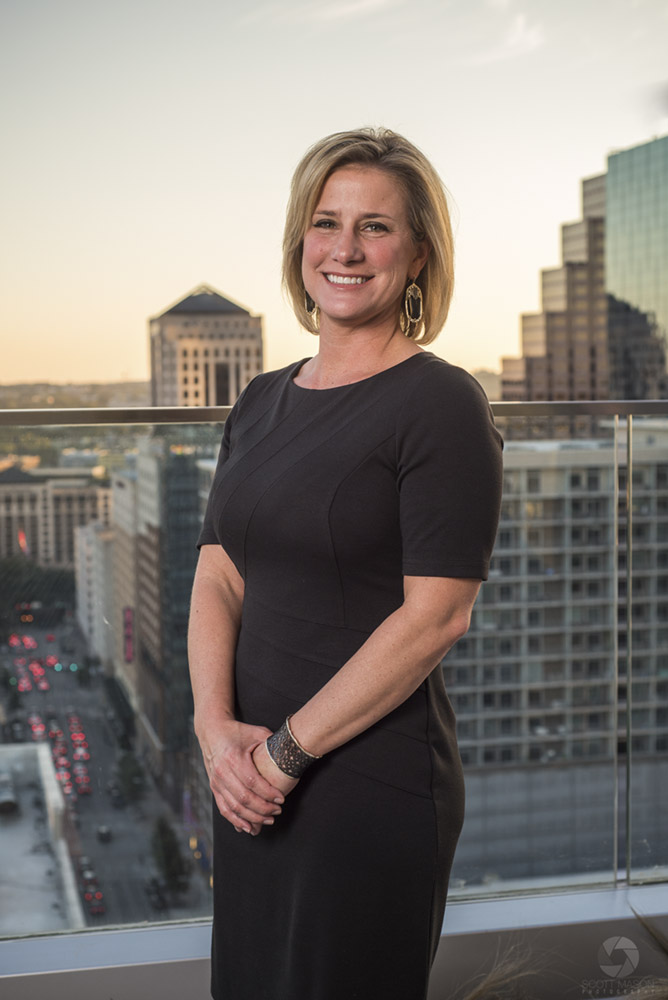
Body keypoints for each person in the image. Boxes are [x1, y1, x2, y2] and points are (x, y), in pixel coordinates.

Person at [188, 127, 503, 1000]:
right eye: (327, 223)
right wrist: (217, 734)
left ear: (418, 254)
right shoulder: (259, 400)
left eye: (376, 227)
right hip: (248, 780)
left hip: (362, 781)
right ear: (300, 243)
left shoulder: (441, 403)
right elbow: (219, 572)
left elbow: (436, 615)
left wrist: (286, 754)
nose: (346, 249)